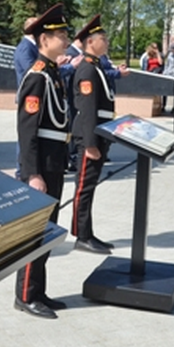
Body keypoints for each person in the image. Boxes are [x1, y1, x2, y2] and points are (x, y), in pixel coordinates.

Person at [13, 4, 71, 319]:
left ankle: (39, 289)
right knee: (35, 229)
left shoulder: (52, 74)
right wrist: (32, 172)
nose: (65, 39)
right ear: (43, 40)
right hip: (41, 165)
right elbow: (27, 130)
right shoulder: (37, 77)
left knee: (47, 228)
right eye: (59, 35)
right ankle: (25, 295)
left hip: (55, 159)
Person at [71, 14, 116, 255]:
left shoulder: (95, 66)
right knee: (84, 187)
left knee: (90, 185)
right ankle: (82, 235)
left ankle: (87, 232)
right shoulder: (87, 70)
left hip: (100, 134)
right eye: (102, 38)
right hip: (90, 137)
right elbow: (87, 109)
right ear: (90, 42)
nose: (106, 42)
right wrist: (90, 143)